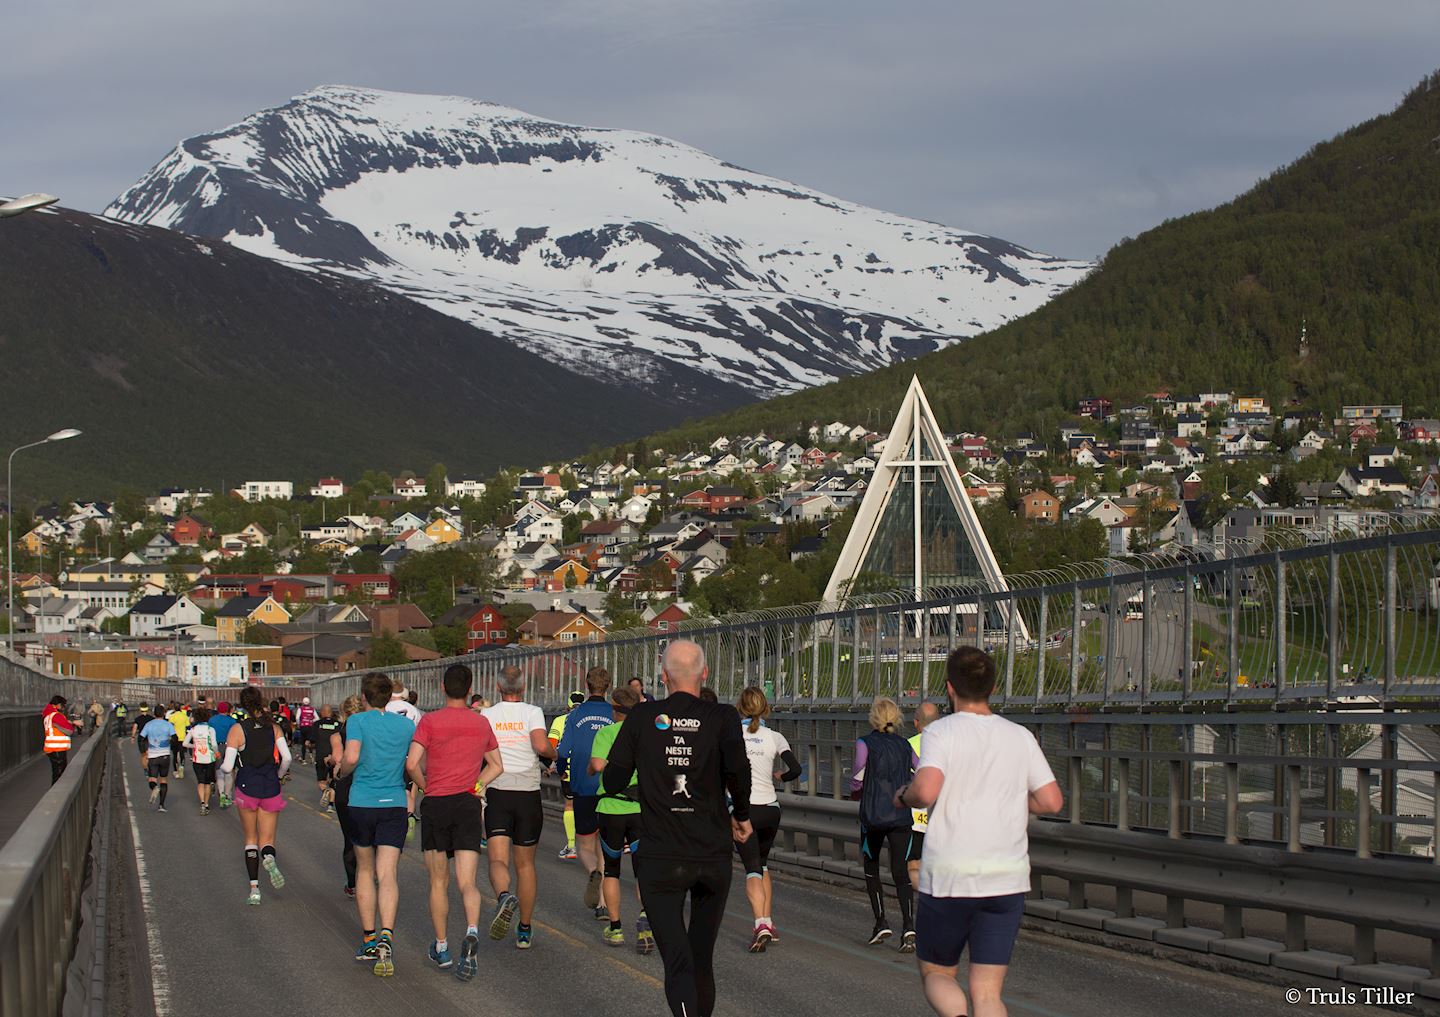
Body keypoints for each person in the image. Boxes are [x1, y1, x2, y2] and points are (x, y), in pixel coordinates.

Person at [896, 647, 1064, 1017]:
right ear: (994, 686)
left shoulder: (941, 731)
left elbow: (925, 791)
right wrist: (1016, 801)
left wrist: (903, 795)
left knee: (938, 974)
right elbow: (1052, 800)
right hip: (1006, 880)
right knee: (987, 992)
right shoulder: (1019, 736)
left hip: (951, 877)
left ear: (950, 688)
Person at [603, 640, 752, 1017]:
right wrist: (743, 814)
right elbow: (738, 771)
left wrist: (647, 775)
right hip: (711, 853)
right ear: (704, 674)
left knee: (678, 962)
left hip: (660, 853)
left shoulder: (641, 716)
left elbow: (614, 780)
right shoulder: (723, 717)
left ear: (663, 675)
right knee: (701, 958)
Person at [406, 663, 503, 981]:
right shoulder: (480, 722)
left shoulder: (430, 721)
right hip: (467, 804)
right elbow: (496, 766)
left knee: (438, 882)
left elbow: (411, 763)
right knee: (468, 882)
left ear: (443, 688)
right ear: (469, 686)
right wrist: (477, 786)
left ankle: (443, 947)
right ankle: (472, 930)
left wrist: (424, 785)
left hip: (436, 804)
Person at [338, 672, 416, 977]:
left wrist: (342, 773)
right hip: (394, 801)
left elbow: (352, 756)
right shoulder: (406, 725)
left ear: (364, 696)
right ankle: (387, 935)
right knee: (388, 873)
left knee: (366, 870)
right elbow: (412, 762)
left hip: (362, 802)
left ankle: (369, 939)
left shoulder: (357, 721)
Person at [481, 666, 556, 950]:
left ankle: (503, 896)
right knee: (525, 865)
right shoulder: (532, 711)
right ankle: (524, 929)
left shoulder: (487, 715)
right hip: (526, 792)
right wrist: (553, 753)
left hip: (498, 789)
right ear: (523, 688)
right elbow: (540, 745)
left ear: (498, 688)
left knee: (497, 860)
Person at [735, 686, 802, 952]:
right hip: (771, 809)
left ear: (739, 708)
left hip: (745, 809)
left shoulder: (732, 736)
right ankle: (770, 922)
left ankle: (760, 924)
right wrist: (781, 778)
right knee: (762, 864)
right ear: (765, 709)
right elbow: (796, 769)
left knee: (750, 867)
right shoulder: (775, 736)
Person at [850, 696, 919, 950]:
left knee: (871, 866)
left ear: (874, 717)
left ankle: (881, 922)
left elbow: (858, 776)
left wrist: (856, 791)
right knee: (901, 872)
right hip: (901, 817)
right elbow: (920, 770)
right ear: (896, 717)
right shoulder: (904, 745)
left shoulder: (864, 743)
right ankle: (909, 926)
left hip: (873, 816)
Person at [587, 686, 653, 952]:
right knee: (643, 869)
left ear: (615, 708)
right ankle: (645, 919)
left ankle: (615, 929)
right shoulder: (647, 734)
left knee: (612, 869)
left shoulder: (606, 733)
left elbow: (598, 765)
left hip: (612, 808)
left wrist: (593, 767)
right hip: (640, 809)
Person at [221, 687, 290, 905]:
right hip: (270, 785)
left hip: (246, 785)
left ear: (242, 704)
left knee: (250, 839)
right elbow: (287, 758)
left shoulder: (237, 729)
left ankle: (254, 890)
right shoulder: (274, 727)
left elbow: (227, 766)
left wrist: (226, 772)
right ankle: (268, 856)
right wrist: (278, 775)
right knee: (267, 839)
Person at [556, 667, 615, 916]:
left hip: (583, 787)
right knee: (604, 845)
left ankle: (593, 872)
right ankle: (602, 901)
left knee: (585, 845)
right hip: (611, 788)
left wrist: (561, 770)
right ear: (609, 686)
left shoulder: (575, 715)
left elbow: (562, 751)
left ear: (587, 685)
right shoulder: (615, 714)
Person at [326, 695, 365, 898]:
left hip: (345, 788)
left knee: (350, 839)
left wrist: (330, 760)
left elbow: (340, 758)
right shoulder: (370, 730)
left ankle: (352, 884)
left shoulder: (338, 734)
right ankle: (369, 875)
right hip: (367, 785)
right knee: (369, 837)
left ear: (345, 712)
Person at [907, 702, 942, 888]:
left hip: (918, 817)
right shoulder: (951, 742)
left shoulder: (910, 745)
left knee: (914, 862)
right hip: (945, 816)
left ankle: (923, 900)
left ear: (916, 722)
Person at [386, 680, 424, 841]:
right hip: (409, 754)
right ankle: (409, 815)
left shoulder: (385, 709)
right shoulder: (414, 710)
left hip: (389, 756)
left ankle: (390, 819)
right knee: (407, 790)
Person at [549, 691, 585, 859]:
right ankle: (589, 845)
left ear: (568, 706)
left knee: (569, 805)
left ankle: (571, 845)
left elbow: (552, 744)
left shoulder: (560, 720)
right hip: (587, 770)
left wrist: (551, 764)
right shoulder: (589, 719)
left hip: (568, 770)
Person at [183, 707, 220, 814]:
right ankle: (207, 804)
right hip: (209, 758)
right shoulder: (210, 729)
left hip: (197, 758)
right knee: (207, 782)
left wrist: (194, 745)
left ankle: (202, 803)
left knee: (200, 781)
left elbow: (184, 744)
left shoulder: (193, 730)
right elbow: (213, 744)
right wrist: (216, 752)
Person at [138, 706, 175, 810]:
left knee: (152, 778)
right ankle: (161, 805)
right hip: (165, 755)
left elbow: (141, 738)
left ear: (154, 714)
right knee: (163, 779)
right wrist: (169, 743)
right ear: (164, 713)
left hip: (153, 755)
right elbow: (175, 738)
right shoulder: (168, 725)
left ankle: (155, 787)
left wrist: (145, 751)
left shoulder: (148, 725)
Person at [208, 702, 238, 808]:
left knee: (219, 771)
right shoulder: (232, 721)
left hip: (216, 747)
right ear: (227, 710)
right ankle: (227, 795)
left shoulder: (212, 720)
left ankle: (221, 793)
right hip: (229, 746)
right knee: (229, 771)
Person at [42, 696, 75, 784]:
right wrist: (72, 725)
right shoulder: (57, 716)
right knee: (60, 776)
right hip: (58, 748)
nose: (63, 708)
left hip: (51, 748)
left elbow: (57, 726)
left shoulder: (48, 716)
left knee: (56, 774)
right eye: (63, 705)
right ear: (58, 705)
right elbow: (69, 731)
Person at [314, 704, 342, 810]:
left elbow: (311, 739)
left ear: (323, 712)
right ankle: (330, 805)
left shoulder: (317, 724)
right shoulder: (338, 725)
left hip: (321, 755)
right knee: (332, 780)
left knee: (322, 781)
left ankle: (325, 791)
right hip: (335, 756)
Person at [167, 701, 190, 779]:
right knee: (182, 754)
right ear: (180, 708)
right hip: (183, 738)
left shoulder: (172, 716)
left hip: (174, 738)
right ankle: (182, 766)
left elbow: (170, 728)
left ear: (174, 708)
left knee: (174, 754)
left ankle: (176, 771)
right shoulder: (184, 716)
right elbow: (188, 727)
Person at [296, 697, 319, 764]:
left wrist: (298, 724)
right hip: (310, 727)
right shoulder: (312, 709)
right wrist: (311, 721)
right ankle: (312, 758)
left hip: (303, 727)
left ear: (303, 702)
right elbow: (317, 718)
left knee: (303, 743)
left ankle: (304, 759)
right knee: (309, 742)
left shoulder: (300, 709)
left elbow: (297, 718)